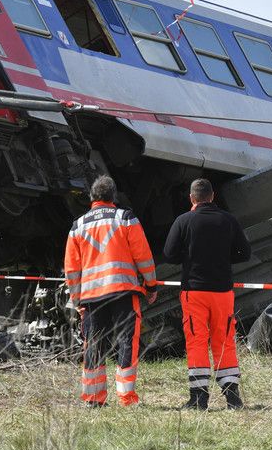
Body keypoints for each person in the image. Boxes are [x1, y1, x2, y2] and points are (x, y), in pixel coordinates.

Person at [65, 175, 158, 407]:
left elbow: (72, 269)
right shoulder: (126, 218)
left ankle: (93, 398)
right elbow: (143, 255)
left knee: (94, 344)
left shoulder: (78, 226)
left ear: (92, 197)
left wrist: (77, 300)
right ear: (113, 196)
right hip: (123, 291)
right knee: (128, 341)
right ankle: (127, 398)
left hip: (92, 297)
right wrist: (151, 285)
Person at [164, 178, 252, 410]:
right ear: (212, 196)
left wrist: (190, 256)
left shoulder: (183, 221)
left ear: (192, 198)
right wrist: (222, 258)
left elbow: (169, 254)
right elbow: (245, 253)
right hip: (223, 292)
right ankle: (232, 398)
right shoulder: (228, 220)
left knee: (197, 341)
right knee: (225, 340)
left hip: (194, 292)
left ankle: (199, 398)